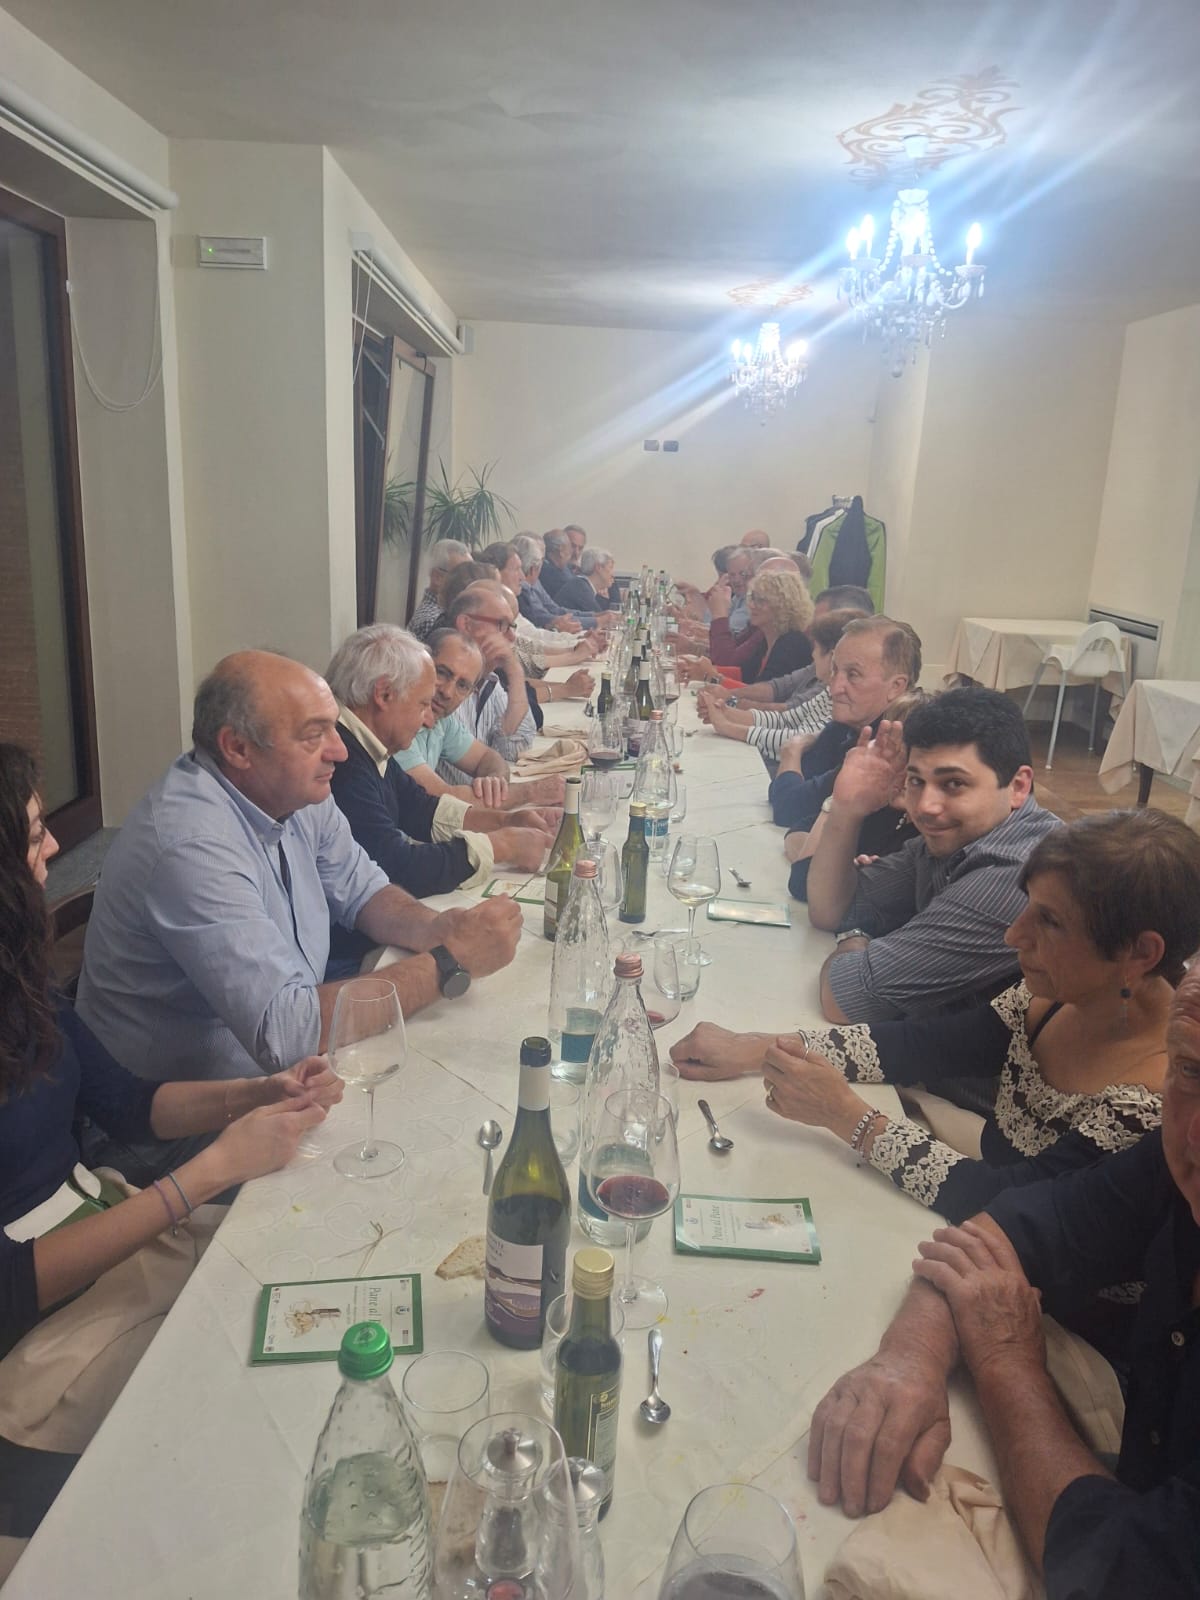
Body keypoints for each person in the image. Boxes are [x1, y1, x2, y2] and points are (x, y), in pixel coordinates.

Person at [0, 744, 342, 1535]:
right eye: (34, 833)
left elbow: (128, 1104)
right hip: (33, 1344)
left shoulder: (18, 982)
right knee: (239, 1410)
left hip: (105, 1240)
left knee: (302, 1284)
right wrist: (208, 1173)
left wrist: (259, 1093)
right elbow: (9, 1288)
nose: (56, 845)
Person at [807, 966, 1200, 1598]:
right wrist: (910, 1359)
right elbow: (1013, 1226)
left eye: (1048, 919)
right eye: (1192, 1070)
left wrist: (1006, 1360)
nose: (1195, 1135)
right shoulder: (1169, 1158)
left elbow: (1124, 1568)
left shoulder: (1144, 1109)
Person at [674, 809, 1197, 1241]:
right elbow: (923, 1045)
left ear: (1140, 953)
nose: (1015, 935)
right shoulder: (1061, 999)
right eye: (1027, 909)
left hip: (1049, 1302)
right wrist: (761, 1047)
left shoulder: (1154, 1099)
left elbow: (1005, 1202)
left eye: (1051, 921)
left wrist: (845, 1114)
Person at [76, 651, 523, 1104]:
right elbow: (286, 1032)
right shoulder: (192, 847)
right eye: (314, 735)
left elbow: (363, 887)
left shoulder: (296, 792)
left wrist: (437, 928)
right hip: (189, 1110)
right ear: (237, 748)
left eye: (334, 727)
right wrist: (450, 961)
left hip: (282, 1060)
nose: (340, 751)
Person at [809, 686, 1062, 1024]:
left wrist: (856, 937)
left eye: (953, 784)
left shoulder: (1016, 873)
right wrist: (846, 808)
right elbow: (830, 908)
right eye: (916, 781)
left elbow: (845, 998)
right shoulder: (959, 837)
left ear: (1018, 786)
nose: (926, 807)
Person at [325, 626, 555, 974]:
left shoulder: (370, 745)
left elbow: (423, 808)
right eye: (422, 703)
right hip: (345, 958)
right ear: (383, 695)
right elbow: (397, 868)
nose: (428, 718)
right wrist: (502, 845)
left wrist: (507, 821)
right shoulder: (343, 761)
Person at [766, 616, 921, 832]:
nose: (834, 687)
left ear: (896, 687)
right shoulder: (843, 728)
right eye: (835, 670)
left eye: (853, 675)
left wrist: (792, 750)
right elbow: (780, 793)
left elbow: (788, 808)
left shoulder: (886, 748)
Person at [393, 627, 565, 810]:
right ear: (422, 664)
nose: (447, 692)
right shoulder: (397, 722)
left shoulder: (442, 719)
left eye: (462, 685)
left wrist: (493, 782)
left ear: (470, 693)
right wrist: (532, 792)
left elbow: (488, 757)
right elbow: (441, 801)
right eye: (442, 673)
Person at [699, 608, 862, 757]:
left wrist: (727, 724)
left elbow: (801, 739)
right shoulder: (828, 689)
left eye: (761, 600)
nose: (812, 654)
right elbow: (785, 717)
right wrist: (726, 711)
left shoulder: (792, 645)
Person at [512, 533, 585, 632]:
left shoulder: (535, 582)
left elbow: (553, 610)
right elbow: (533, 631)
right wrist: (555, 627)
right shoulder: (522, 590)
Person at [408, 539, 471, 640]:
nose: (471, 582)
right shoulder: (434, 620)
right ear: (438, 577)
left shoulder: (440, 614)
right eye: (461, 575)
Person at [553, 547, 619, 614]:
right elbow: (601, 617)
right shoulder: (580, 587)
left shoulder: (581, 584)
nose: (613, 574)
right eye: (611, 567)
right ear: (598, 567)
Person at [537, 529, 575, 600]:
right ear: (561, 550)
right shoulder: (552, 575)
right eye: (570, 546)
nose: (572, 551)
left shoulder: (547, 565)